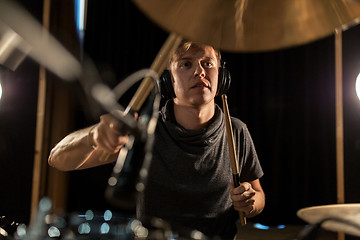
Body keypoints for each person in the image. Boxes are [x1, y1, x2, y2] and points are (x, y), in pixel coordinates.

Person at [48, 40, 265, 239]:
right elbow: (57, 159)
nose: (200, 71)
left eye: (207, 63)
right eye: (186, 64)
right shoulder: (146, 130)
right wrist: (93, 136)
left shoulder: (235, 130)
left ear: (222, 75)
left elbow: (258, 195)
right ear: (169, 79)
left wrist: (250, 202)